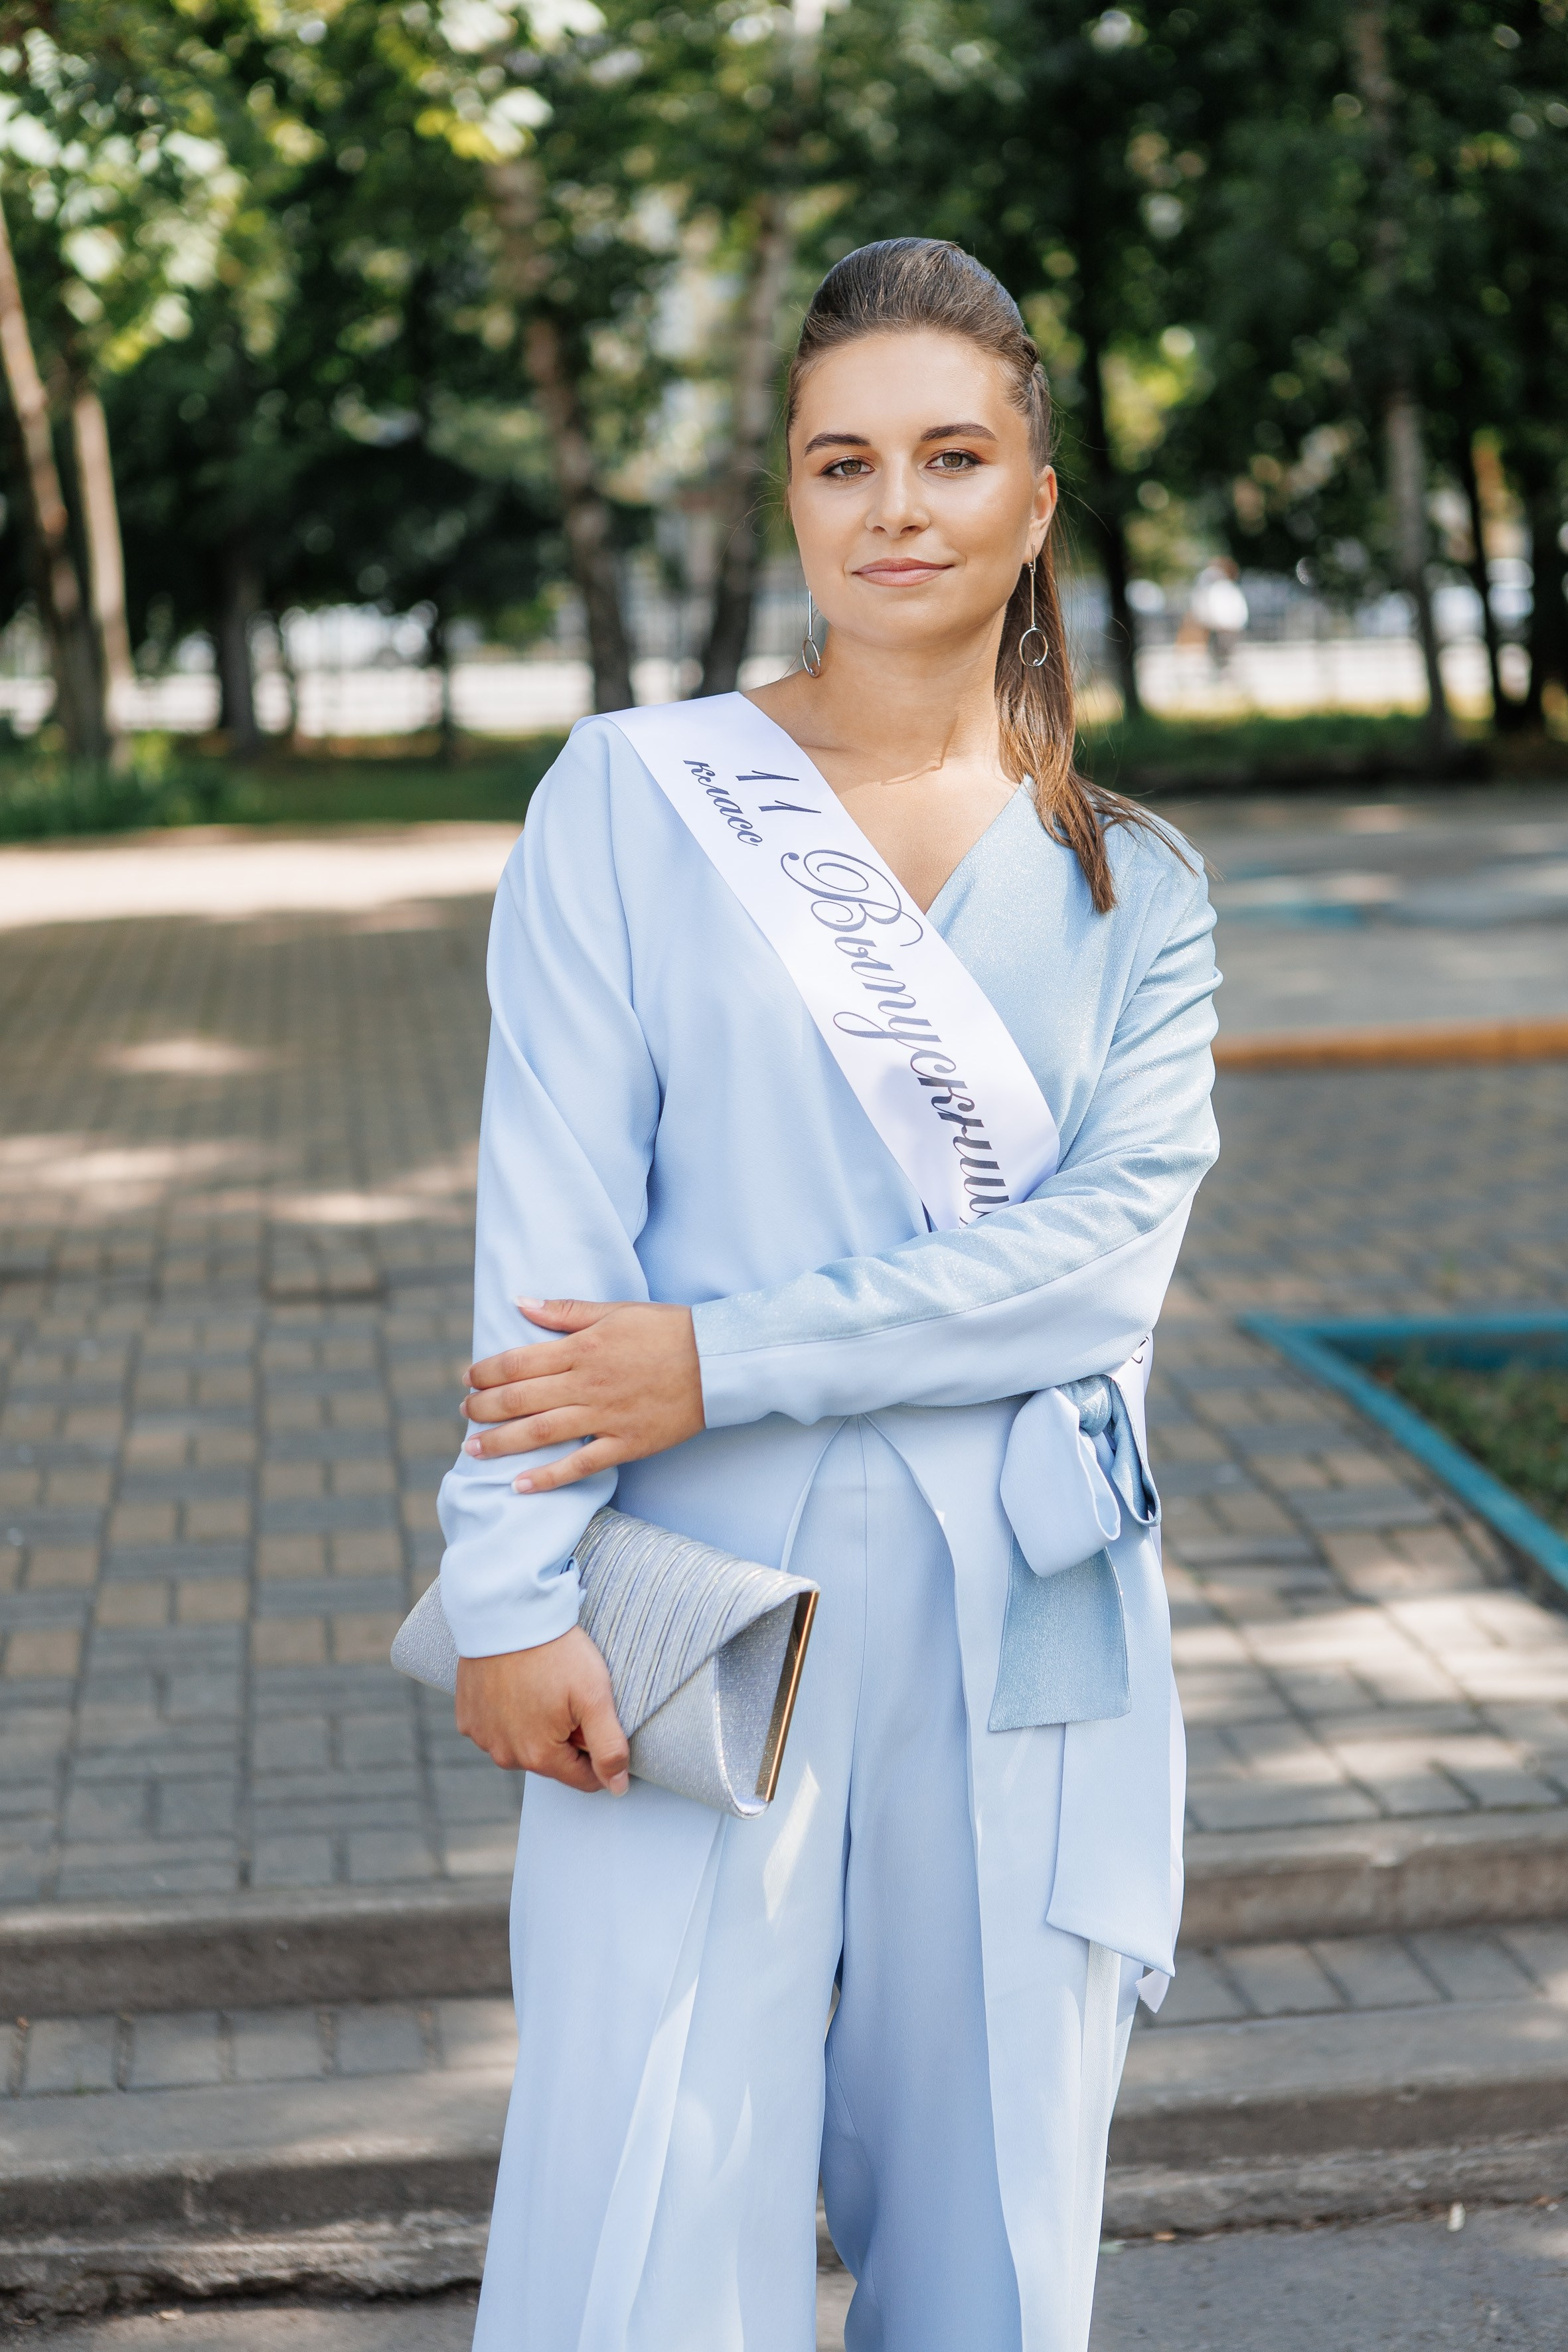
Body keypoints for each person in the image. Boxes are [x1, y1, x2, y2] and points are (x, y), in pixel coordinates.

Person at [439, 238, 1219, 2352]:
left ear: (1035, 503)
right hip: (694, 1586)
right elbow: (550, 1227)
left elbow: (1093, 1263)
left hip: (1029, 1601)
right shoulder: (630, 798)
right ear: (789, 498)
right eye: (841, 461)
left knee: (996, 2197)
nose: (897, 509)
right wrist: (508, 1591)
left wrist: (724, 1353)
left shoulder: (1127, 888)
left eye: (951, 457)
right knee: (648, 2178)